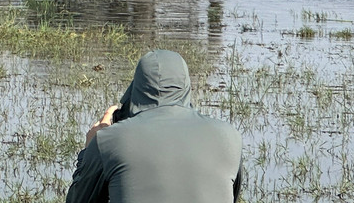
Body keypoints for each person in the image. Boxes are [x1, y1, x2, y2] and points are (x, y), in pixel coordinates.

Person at [65, 49, 243, 203]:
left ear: (136, 88)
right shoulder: (230, 137)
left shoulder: (108, 140)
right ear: (185, 86)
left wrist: (89, 150)